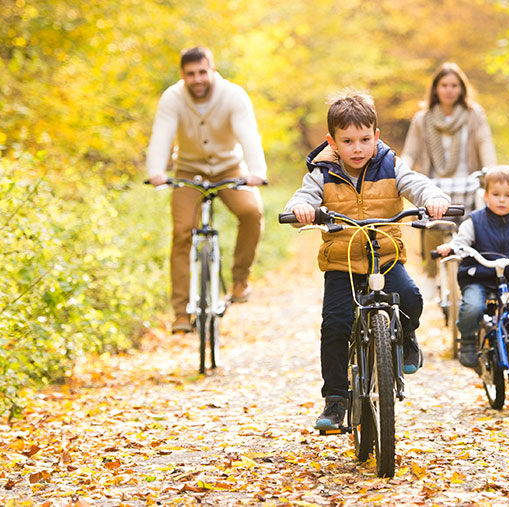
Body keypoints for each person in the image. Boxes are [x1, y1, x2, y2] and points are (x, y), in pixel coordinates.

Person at [284, 90, 450, 430]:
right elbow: (304, 196)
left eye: (363, 139)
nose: (357, 148)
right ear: (332, 142)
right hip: (341, 263)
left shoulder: (390, 164)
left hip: (385, 258)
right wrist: (300, 209)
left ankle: (405, 337)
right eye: (347, 141)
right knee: (335, 324)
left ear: (376, 136)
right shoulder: (322, 172)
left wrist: (432, 196)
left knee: (411, 298)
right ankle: (335, 400)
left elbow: (414, 183)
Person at [146, 46, 266, 333]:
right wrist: (156, 172)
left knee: (251, 212)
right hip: (188, 171)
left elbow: (248, 134)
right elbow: (161, 134)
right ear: (182, 75)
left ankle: (240, 280)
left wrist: (256, 172)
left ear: (212, 70)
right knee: (182, 231)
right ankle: (180, 313)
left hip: (229, 168)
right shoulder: (173, 98)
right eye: (190, 74)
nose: (197, 79)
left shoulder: (233, 95)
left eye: (202, 72)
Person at [436, 165, 509, 369]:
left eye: (508, 195)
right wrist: (451, 248)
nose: (502, 199)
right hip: (477, 277)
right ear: (485, 196)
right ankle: (468, 342)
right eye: (496, 194)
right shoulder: (474, 221)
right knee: (472, 307)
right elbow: (461, 242)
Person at [401, 62, 497, 299]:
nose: (449, 90)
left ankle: (476, 272)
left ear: (462, 88)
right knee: (432, 221)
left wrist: (492, 172)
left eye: (454, 85)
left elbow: (485, 144)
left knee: (475, 225)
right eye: (444, 85)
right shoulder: (422, 119)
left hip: (468, 182)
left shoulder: (474, 115)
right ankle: (431, 273)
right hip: (434, 184)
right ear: (435, 89)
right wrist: (400, 171)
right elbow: (410, 152)